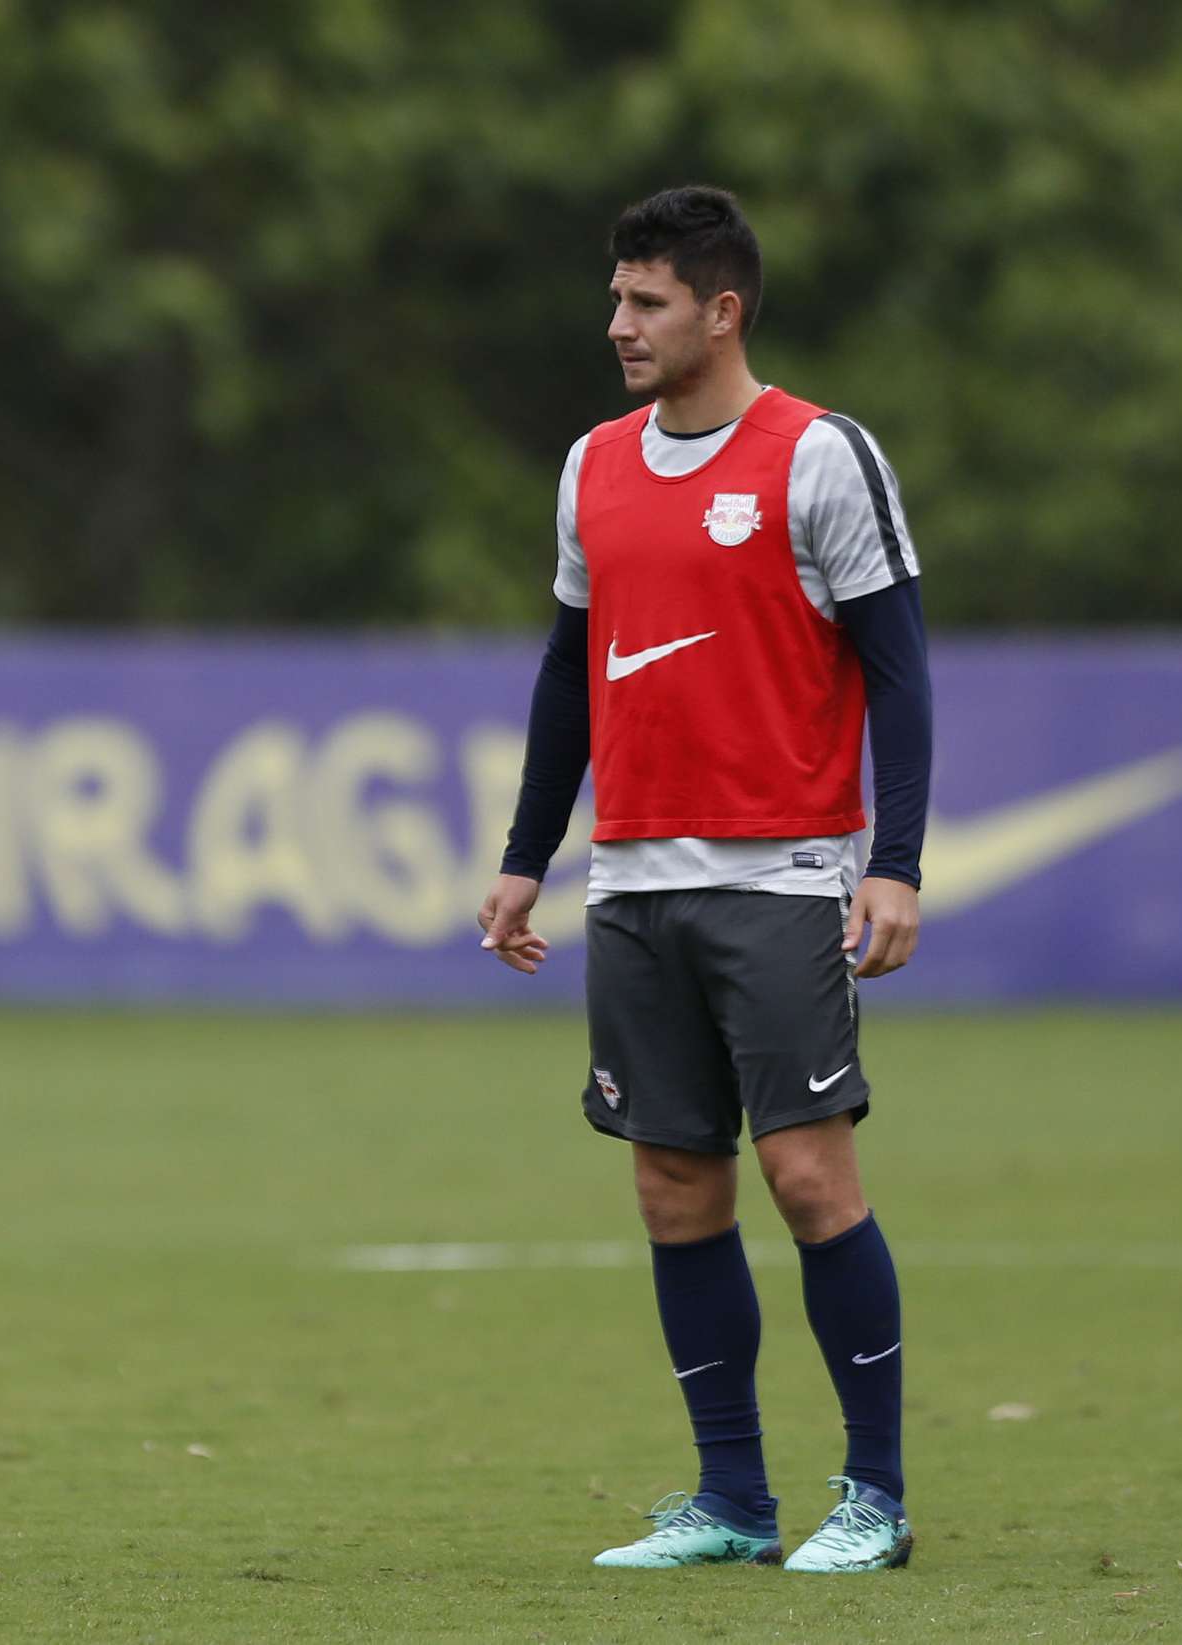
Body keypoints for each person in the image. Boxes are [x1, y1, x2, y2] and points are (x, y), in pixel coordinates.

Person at [476, 185, 931, 1574]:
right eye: (618, 297)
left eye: (647, 301)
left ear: (721, 311)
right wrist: (523, 854)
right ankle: (731, 1499)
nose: (619, 323)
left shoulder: (819, 456)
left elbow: (900, 668)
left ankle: (877, 1496)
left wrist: (895, 863)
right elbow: (569, 673)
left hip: (785, 874)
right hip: (632, 881)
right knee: (676, 1188)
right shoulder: (590, 467)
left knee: (807, 1176)